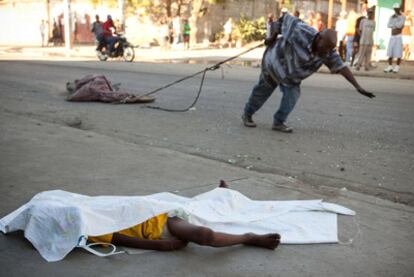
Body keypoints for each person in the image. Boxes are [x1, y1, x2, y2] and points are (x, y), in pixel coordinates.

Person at [242, 13, 375, 133]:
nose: (327, 52)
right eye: (326, 48)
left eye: (330, 49)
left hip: (291, 78)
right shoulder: (301, 30)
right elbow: (283, 19)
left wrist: (357, 86)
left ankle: (278, 122)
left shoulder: (327, 52)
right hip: (274, 62)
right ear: (319, 38)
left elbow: (341, 67)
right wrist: (272, 37)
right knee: (263, 90)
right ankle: (247, 114)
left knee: (292, 96)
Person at [88, 180, 281, 251]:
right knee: (205, 233)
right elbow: (116, 238)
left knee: (198, 209)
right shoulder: (82, 227)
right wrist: (159, 245)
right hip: (158, 226)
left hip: (157, 213)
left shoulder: (78, 209)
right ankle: (248, 238)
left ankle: (221, 195)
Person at [384, 3, 406, 73]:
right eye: (394, 9)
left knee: (398, 52)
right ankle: (390, 66)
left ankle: (397, 67)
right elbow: (388, 25)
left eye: (397, 9)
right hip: (392, 36)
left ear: (399, 9)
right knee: (390, 52)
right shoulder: (391, 16)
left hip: (398, 36)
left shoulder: (402, 17)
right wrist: (395, 25)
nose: (395, 10)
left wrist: (394, 24)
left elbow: (400, 26)